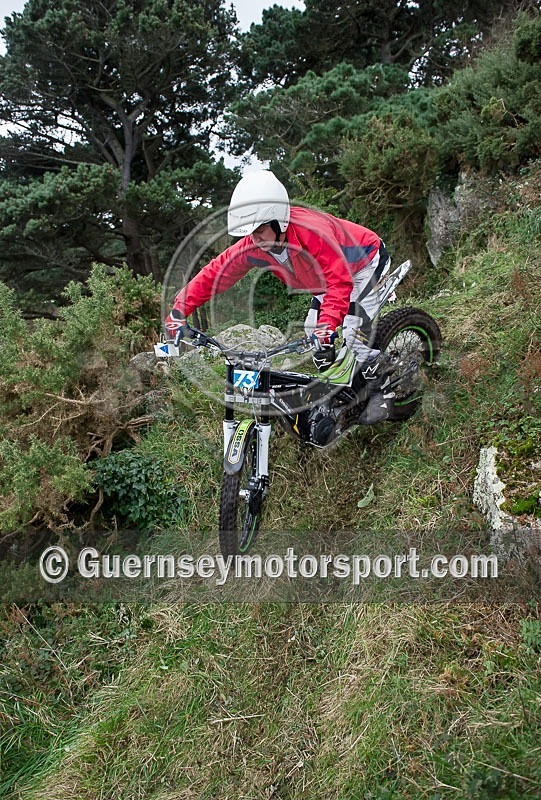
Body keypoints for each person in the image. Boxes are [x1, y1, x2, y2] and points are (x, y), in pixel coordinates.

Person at [165, 170, 394, 424]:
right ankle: (338, 388)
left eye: (260, 229)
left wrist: (328, 325)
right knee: (312, 333)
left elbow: (339, 282)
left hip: (363, 264)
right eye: (250, 232)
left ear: (279, 222)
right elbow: (216, 273)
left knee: (355, 337)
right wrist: (179, 310)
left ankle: (384, 388)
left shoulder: (313, 234)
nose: (254, 238)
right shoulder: (255, 246)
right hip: (325, 280)